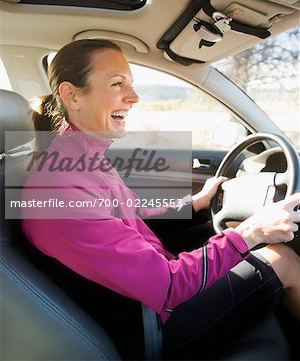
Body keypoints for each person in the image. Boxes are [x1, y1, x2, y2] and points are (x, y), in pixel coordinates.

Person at [22, 39, 300, 360]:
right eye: (117, 84)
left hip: (148, 301)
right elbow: (167, 286)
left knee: (239, 232)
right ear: (72, 95)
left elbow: (132, 217)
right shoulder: (59, 189)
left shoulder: (80, 159)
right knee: (283, 259)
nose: (134, 97)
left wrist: (195, 203)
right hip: (153, 326)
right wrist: (252, 233)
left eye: (131, 84)